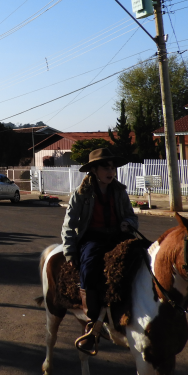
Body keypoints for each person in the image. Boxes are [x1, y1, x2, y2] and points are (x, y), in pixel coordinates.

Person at [61, 148, 138, 356]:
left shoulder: (119, 191)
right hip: (92, 238)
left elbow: (132, 216)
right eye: (106, 167)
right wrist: (70, 253)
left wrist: (127, 224)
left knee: (141, 258)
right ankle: (91, 322)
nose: (110, 171)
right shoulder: (81, 194)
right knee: (89, 267)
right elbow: (69, 225)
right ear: (94, 170)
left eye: (112, 167)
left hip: (118, 236)